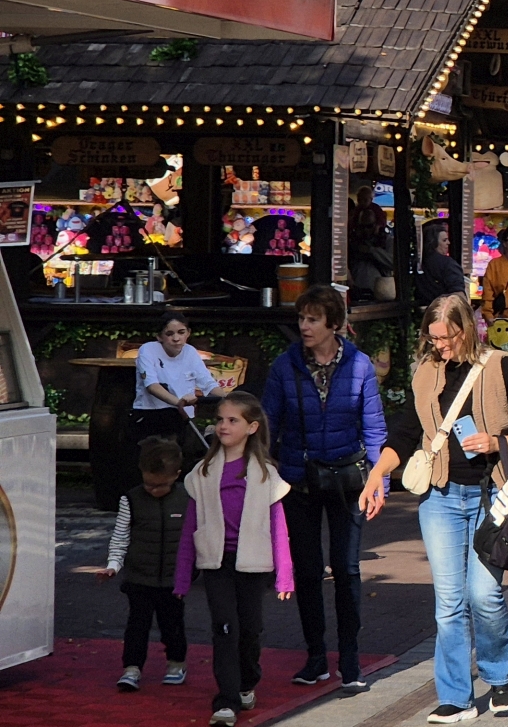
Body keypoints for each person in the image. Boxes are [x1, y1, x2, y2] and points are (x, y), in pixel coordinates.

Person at [357, 296, 508, 723]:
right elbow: (407, 432)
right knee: (449, 603)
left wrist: (495, 442)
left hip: (491, 497)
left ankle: (499, 675)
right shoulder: (426, 372)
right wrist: (376, 476)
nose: (439, 345)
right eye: (433, 337)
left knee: (484, 595)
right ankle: (457, 698)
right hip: (440, 498)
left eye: (447, 337)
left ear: (467, 329)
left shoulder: (501, 367)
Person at [260, 285, 385, 690]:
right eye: (301, 318)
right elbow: (267, 422)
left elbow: (374, 427)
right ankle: (316, 656)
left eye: (313, 319)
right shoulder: (285, 365)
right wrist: (265, 466)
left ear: (334, 323)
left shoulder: (360, 365)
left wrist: (379, 480)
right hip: (299, 479)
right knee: (308, 569)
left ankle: (350, 658)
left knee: (347, 568)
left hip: (348, 479)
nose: (304, 326)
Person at [174, 393, 293, 726]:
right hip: (217, 564)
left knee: (250, 629)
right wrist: (182, 577)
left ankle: (246, 682)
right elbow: (190, 528)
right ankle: (226, 700)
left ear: (252, 427)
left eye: (232, 420)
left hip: (253, 565)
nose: (223, 426)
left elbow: (278, 528)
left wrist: (285, 575)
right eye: (220, 420)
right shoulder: (203, 472)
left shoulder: (265, 474)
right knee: (225, 628)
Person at [104, 437, 191, 692]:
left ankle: (176, 663)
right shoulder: (131, 499)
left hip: (173, 579)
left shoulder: (187, 499)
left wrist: (190, 571)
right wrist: (114, 564)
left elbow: (195, 537)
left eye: (160, 485)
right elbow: (121, 536)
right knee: (137, 626)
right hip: (139, 576)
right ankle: (131, 668)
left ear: (176, 475)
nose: (153, 490)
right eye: (148, 484)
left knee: (173, 625)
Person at [130, 312, 224, 464]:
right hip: (152, 414)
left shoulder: (190, 352)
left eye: (181, 332)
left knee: (187, 458)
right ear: (159, 336)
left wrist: (228, 399)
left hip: (183, 415)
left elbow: (207, 383)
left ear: (188, 333)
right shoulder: (148, 350)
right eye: (169, 334)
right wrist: (178, 402)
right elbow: (152, 385)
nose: (176, 338)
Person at [417, 223, 468, 303]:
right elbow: (458, 295)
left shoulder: (419, 263)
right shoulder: (448, 264)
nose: (448, 243)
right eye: (444, 240)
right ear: (434, 243)